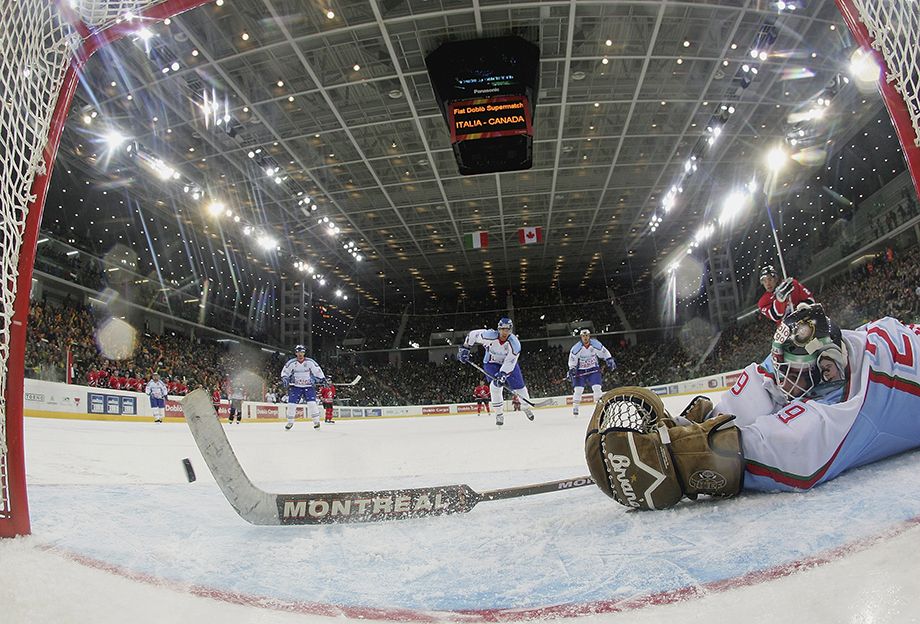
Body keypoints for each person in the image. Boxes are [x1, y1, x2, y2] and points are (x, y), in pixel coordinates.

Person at [588, 303, 920, 510]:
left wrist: (700, 454)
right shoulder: (833, 351)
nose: (785, 381)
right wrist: (708, 422)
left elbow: (799, 448)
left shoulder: (861, 396)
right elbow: (769, 377)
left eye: (795, 375)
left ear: (830, 368)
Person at [458, 317, 534, 426]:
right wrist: (465, 348)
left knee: (520, 386)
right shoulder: (488, 336)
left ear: (511, 330)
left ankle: (526, 407)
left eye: (507, 329)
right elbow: (473, 335)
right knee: (495, 386)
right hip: (491, 363)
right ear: (498, 329)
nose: (504, 332)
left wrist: (503, 374)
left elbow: (510, 363)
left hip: (508, 364)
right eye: (502, 329)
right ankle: (499, 414)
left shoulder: (515, 344)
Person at [567, 328, 616, 417]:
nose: (585, 338)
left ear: (589, 336)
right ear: (581, 337)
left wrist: (609, 359)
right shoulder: (576, 348)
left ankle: (599, 407)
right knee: (578, 390)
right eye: (583, 336)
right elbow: (572, 360)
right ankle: (575, 408)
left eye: (586, 335)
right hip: (580, 371)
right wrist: (572, 369)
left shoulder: (595, 344)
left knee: (597, 388)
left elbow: (604, 352)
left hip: (593, 369)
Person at [280, 344, 327, 430]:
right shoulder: (291, 363)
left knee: (312, 404)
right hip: (295, 387)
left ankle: (316, 422)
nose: (300, 354)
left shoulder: (310, 362)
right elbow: (285, 372)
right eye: (298, 352)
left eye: (302, 352)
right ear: (296, 353)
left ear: (304, 353)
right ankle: (290, 422)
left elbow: (318, 371)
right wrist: (285, 378)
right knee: (291, 405)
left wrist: (322, 379)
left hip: (308, 387)